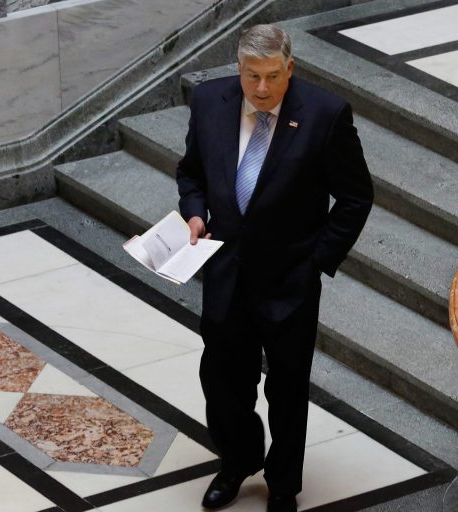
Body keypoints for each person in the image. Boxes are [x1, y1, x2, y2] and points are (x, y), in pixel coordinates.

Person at [176, 24, 373, 512]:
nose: (262, 89)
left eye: (272, 76)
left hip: (291, 281)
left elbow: (355, 197)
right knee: (221, 380)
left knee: (287, 389)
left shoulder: (325, 115)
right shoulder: (208, 101)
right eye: (251, 76)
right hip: (225, 274)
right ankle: (237, 462)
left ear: (290, 68)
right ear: (238, 69)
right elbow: (192, 172)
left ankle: (284, 484)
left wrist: (316, 262)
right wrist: (195, 211)